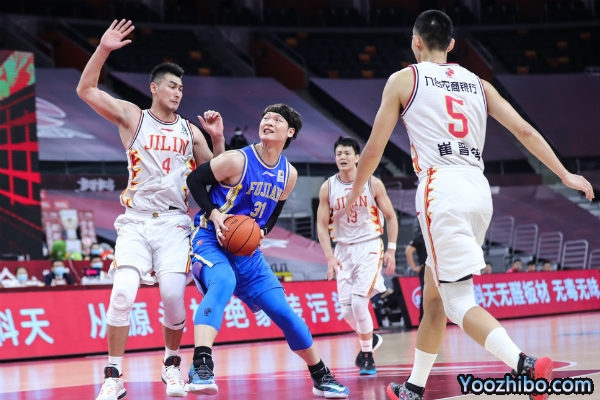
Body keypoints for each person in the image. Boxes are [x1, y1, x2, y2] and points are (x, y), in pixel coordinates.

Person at [344, 10, 595, 400]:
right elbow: (524, 130)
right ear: (451, 44)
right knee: (434, 298)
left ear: (415, 42)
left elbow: (374, 149)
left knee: (458, 302)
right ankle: (414, 387)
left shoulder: (404, 80)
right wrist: (563, 174)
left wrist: (354, 193)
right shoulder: (479, 84)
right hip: (478, 190)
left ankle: (526, 367)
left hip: (440, 189)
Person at [76, 19, 225, 400]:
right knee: (122, 295)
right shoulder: (133, 116)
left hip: (174, 223)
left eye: (181, 87)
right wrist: (104, 49)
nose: (178, 92)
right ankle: (113, 377)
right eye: (172, 85)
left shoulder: (190, 131)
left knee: (173, 297)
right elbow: (85, 89)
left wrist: (218, 139)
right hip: (135, 223)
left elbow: (219, 176)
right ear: (154, 88)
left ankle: (171, 366)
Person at [185, 103, 350, 398]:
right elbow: (194, 181)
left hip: (247, 252)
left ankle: (320, 374)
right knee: (223, 281)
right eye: (266, 118)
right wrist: (214, 213)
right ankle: (201, 365)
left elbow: (274, 213)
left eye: (277, 119)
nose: (268, 122)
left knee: (284, 312)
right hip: (210, 238)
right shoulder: (237, 160)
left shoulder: (289, 174)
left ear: (290, 132)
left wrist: (262, 231)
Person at [316, 136, 398, 376]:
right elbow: (321, 225)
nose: (342, 157)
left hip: (369, 245)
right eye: (338, 153)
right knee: (346, 312)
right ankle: (370, 339)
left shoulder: (373, 183)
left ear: (357, 157)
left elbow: (391, 216)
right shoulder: (328, 187)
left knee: (360, 303)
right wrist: (329, 257)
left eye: (347, 153)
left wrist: (391, 248)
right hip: (343, 249)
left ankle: (367, 356)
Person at [405, 231, 427, 322]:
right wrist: (413, 267)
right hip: (426, 268)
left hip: (439, 268)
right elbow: (408, 250)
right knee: (426, 294)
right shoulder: (422, 236)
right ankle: (423, 320)